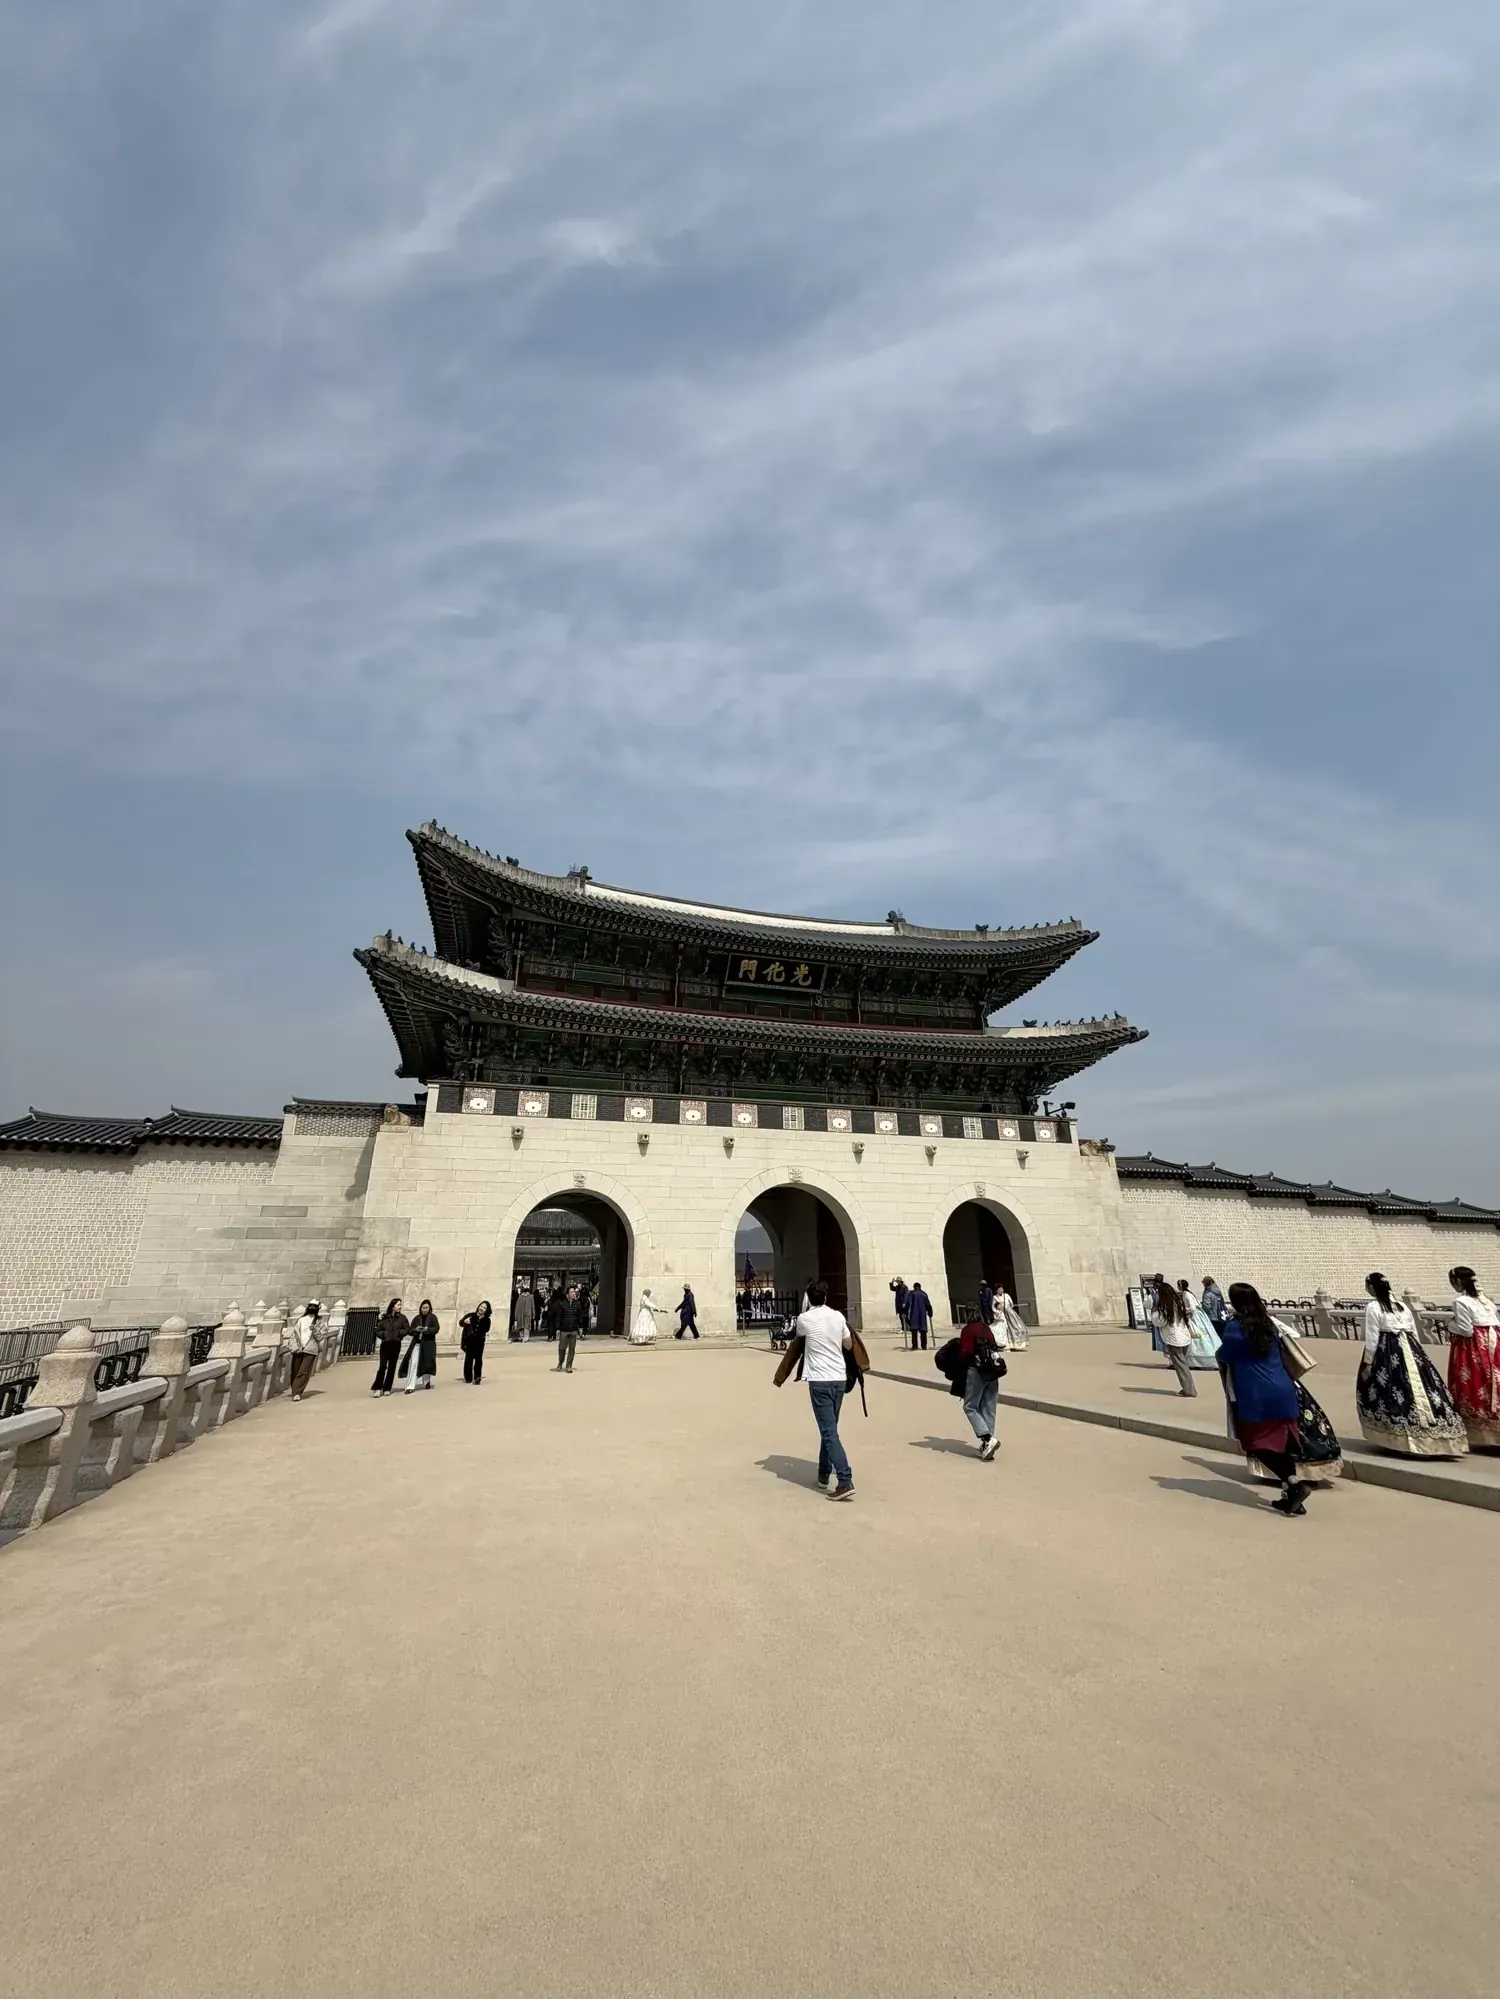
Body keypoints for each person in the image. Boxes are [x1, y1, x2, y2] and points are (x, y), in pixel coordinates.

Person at [1218, 1283, 1313, 1516]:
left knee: (1255, 1444)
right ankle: (1293, 1498)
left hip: (1256, 1394)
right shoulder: (1269, 1324)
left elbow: (1224, 1354)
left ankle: (1294, 1484)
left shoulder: (1235, 1328)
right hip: (1283, 1388)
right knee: (1284, 1444)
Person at [1357, 1272, 1466, 1457]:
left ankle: (1400, 1439)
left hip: (1388, 1350)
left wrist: (1368, 1362)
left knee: (1391, 1391)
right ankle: (1435, 1436)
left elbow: (1372, 1337)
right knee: (1424, 1389)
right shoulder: (1403, 1307)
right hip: (1411, 1349)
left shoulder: (1374, 1307)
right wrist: (1419, 1357)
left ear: (1371, 1288)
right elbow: (1414, 1332)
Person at [796, 1280, 856, 1499]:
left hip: (819, 1379)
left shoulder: (804, 1319)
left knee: (829, 1431)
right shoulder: (838, 1316)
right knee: (829, 1428)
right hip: (839, 1378)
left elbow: (799, 1337)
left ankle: (844, 1479)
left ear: (809, 1298)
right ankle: (823, 1475)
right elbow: (848, 1345)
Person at [1447, 1266, 1500, 1449]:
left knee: (1474, 1384)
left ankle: (1481, 1435)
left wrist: (1450, 1326)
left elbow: (1466, 1330)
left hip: (1473, 1348)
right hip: (1494, 1344)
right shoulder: (1487, 1301)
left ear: (1458, 1282)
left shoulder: (1461, 1302)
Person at [955, 1317, 1005, 1459]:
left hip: (976, 1371)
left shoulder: (967, 1330)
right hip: (992, 1370)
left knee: (970, 1406)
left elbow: (965, 1353)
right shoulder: (985, 1328)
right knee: (989, 1407)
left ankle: (988, 1439)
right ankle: (987, 1445)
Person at [1152, 1277, 1195, 1396]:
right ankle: (1188, 1388)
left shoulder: (1165, 1306)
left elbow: (1159, 1322)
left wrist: (1154, 1313)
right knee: (1183, 1364)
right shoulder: (1178, 1302)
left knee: (1181, 1366)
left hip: (1173, 1339)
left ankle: (1189, 1390)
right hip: (1184, 1337)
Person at [1180, 1278, 1222, 1369]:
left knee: (1197, 1337)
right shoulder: (1217, 1292)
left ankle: (1198, 1360)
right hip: (1205, 1316)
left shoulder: (1187, 1294)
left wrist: (1183, 1310)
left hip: (1195, 1317)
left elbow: (1192, 1308)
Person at [401, 1299, 439, 1393]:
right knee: (413, 1363)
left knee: (427, 1363)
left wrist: (427, 1329)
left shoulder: (433, 1317)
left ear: (429, 1308)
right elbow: (410, 1330)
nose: (425, 1310)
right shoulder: (417, 1318)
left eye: (426, 1308)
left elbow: (436, 1328)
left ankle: (426, 1382)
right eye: (423, 1308)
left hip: (428, 1344)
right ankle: (410, 1386)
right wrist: (416, 1330)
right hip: (417, 1343)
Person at [372, 1298, 408, 1396]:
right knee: (382, 1367)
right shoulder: (385, 1318)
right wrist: (384, 1335)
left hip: (396, 1345)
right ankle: (378, 1387)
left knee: (392, 1367)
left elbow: (406, 1329)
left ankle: (387, 1388)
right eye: (398, 1305)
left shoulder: (402, 1318)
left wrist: (398, 1333)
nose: (399, 1307)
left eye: (400, 1305)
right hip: (385, 1345)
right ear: (393, 1306)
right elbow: (378, 1330)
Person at [289, 1301, 321, 1400]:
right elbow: (295, 1333)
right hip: (298, 1348)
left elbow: (320, 1337)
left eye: (314, 1306)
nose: (312, 1308)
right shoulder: (301, 1320)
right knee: (295, 1370)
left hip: (310, 1349)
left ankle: (297, 1393)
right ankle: (295, 1389)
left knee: (303, 1371)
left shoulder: (319, 1322)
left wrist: (314, 1330)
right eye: (310, 1306)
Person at [554, 1283, 586, 1372]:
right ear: (567, 1294)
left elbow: (580, 1316)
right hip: (564, 1329)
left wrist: (581, 1328)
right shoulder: (562, 1304)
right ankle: (560, 1362)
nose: (573, 1294)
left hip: (573, 1330)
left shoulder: (578, 1304)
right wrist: (557, 1328)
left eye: (574, 1292)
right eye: (571, 1292)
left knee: (572, 1349)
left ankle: (569, 1366)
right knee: (562, 1348)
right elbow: (558, 1317)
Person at [460, 1300, 492, 1385]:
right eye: (481, 1306)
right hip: (469, 1340)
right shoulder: (471, 1315)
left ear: (487, 1310)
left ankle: (477, 1377)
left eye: (484, 1308)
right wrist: (464, 1321)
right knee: (468, 1359)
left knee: (478, 1359)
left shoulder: (487, 1320)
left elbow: (485, 1329)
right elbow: (461, 1323)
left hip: (479, 1342)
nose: (482, 1308)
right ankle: (468, 1377)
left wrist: (473, 1322)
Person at [996, 1286, 1028, 1351]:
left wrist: (1008, 1310)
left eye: (1002, 1289)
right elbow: (994, 1306)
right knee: (1004, 1330)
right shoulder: (995, 1297)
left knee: (1014, 1326)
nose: (1001, 1290)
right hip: (1001, 1314)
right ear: (996, 1290)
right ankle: (1007, 1344)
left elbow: (1011, 1304)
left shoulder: (1006, 1295)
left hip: (1010, 1314)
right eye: (999, 1289)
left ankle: (1016, 1343)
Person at [905, 1280, 934, 1352]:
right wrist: (930, 1312)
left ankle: (915, 1346)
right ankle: (924, 1346)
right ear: (920, 1287)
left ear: (914, 1287)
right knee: (923, 1330)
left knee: (914, 1330)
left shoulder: (912, 1293)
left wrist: (905, 1313)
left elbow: (908, 1303)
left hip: (914, 1314)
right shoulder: (924, 1294)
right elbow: (928, 1304)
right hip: (922, 1314)